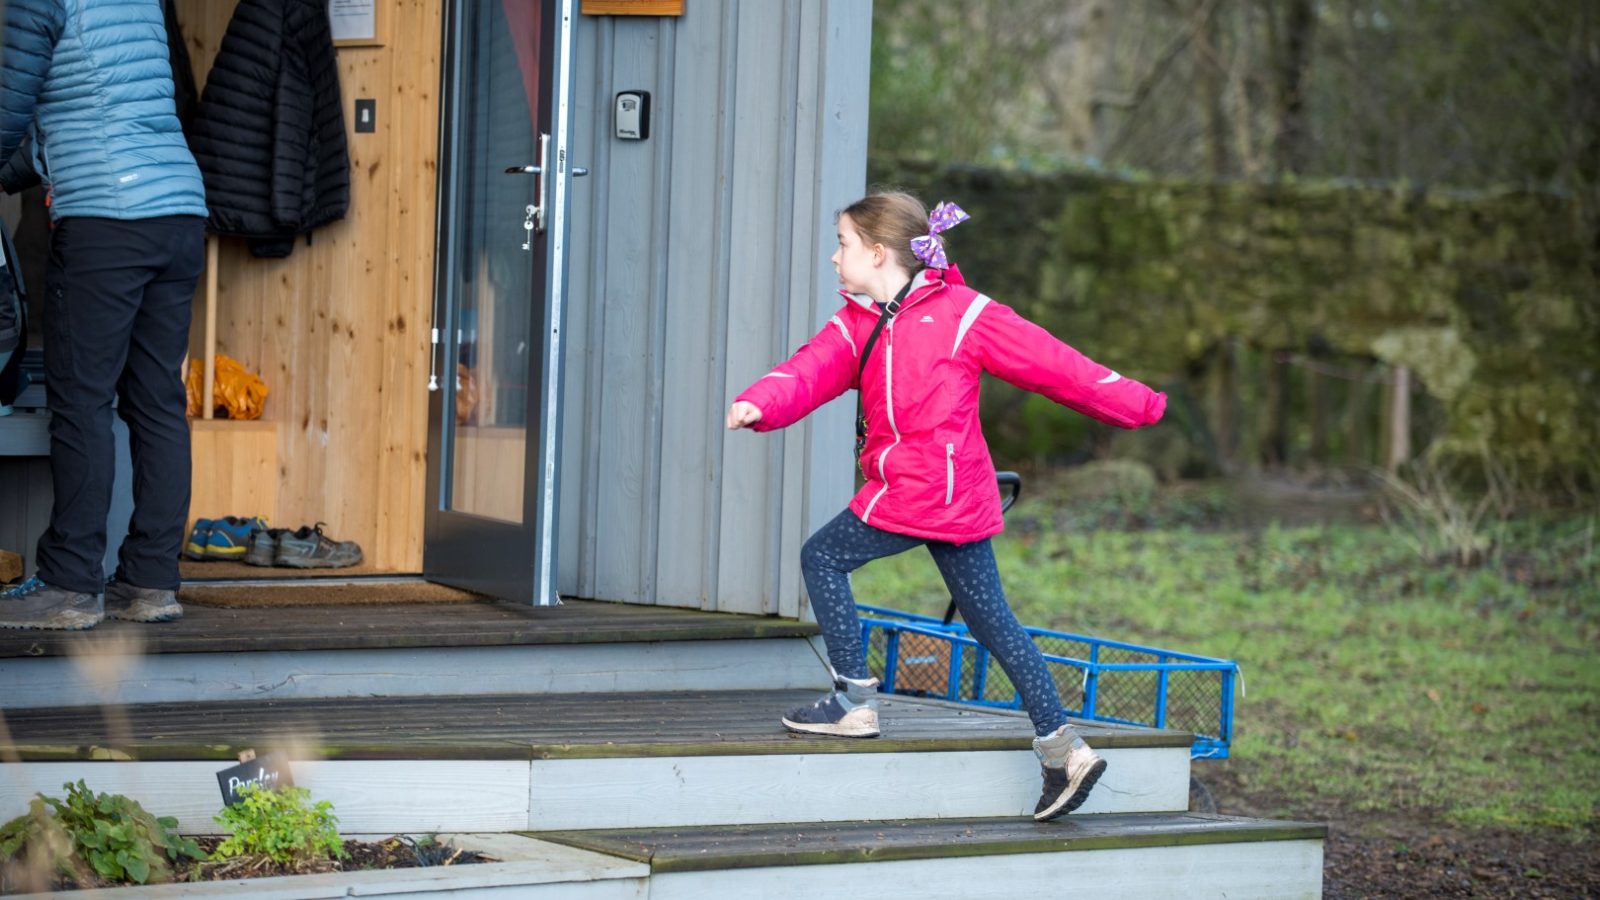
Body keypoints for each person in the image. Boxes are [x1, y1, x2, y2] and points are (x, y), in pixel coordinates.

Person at [726, 192, 1167, 821]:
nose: (834, 256)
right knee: (994, 623)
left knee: (821, 558)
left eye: (843, 244)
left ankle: (853, 700)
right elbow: (809, 369)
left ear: (877, 253)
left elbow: (1058, 367)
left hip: (915, 491)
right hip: (960, 498)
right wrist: (763, 401)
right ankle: (1063, 751)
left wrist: (1139, 403)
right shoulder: (862, 321)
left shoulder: (963, 315)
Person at [0, 0, 209, 629]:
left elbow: (11, 109)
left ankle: (68, 582)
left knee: (83, 399)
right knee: (157, 400)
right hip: (177, 210)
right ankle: (149, 581)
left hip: (106, 219)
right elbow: (91, 108)